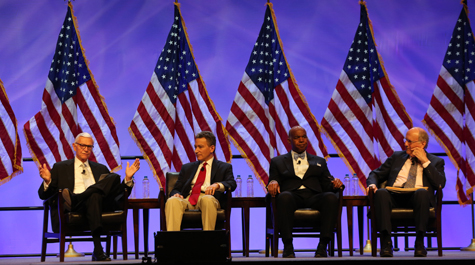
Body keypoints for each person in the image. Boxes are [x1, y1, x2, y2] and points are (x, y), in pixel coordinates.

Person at [38, 132, 140, 261]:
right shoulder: (60, 168)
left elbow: (117, 194)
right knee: (95, 196)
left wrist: (128, 179)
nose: (86, 149)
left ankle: (76, 198)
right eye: (82, 145)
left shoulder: (101, 168)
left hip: (96, 205)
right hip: (74, 209)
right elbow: (43, 195)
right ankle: (98, 250)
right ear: (74, 146)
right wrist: (48, 181)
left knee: (113, 178)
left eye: (89, 146)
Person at [366, 127, 445, 257]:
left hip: (418, 199)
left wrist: (425, 162)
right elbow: (375, 174)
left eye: (409, 141)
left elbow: (440, 183)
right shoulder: (397, 157)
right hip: (394, 196)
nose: (405, 144)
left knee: (421, 192)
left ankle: (419, 243)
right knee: (381, 192)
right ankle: (386, 243)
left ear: (422, 144)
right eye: (405, 140)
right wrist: (372, 184)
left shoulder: (436, 161)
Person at [267, 126, 343, 258]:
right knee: (284, 197)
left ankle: (322, 246)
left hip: (314, 196)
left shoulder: (319, 161)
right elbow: (274, 180)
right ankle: (288, 246)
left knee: (331, 197)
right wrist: (272, 182)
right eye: (297, 137)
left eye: (304, 137)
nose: (301, 140)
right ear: (289, 140)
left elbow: (327, 183)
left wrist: (335, 184)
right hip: (291, 196)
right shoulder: (277, 161)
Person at [165, 131, 236, 231]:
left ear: (212, 148)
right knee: (172, 201)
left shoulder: (224, 167)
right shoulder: (187, 168)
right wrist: (176, 194)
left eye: (200, 147)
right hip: (188, 199)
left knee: (207, 199)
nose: (196, 151)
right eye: (195, 147)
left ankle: (208, 243)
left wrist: (217, 185)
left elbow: (232, 184)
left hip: (208, 198)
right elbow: (175, 189)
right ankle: (172, 244)